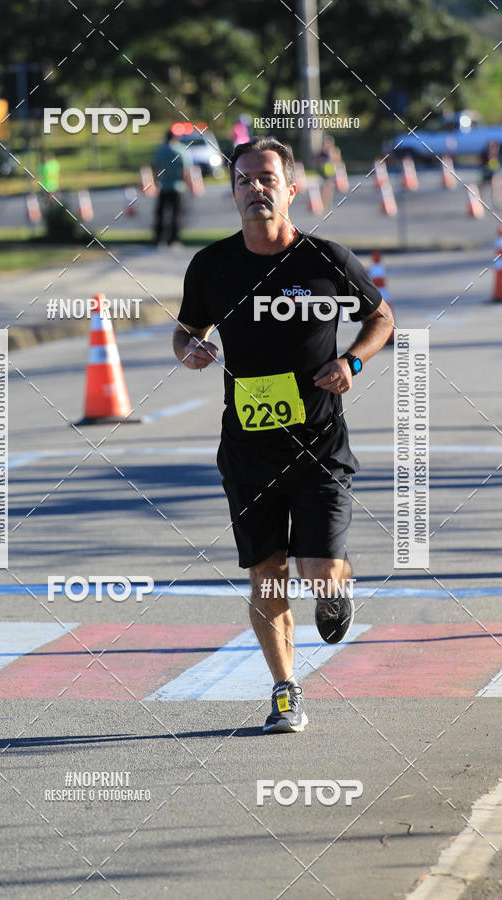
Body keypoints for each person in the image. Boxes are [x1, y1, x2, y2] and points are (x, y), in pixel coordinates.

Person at [173, 136, 393, 735]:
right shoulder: (212, 266)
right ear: (233, 192)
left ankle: (334, 590)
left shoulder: (325, 260)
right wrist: (192, 348)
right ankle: (285, 689)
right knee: (266, 571)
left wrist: (352, 362)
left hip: (319, 441)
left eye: (267, 178)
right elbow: (186, 330)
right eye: (244, 180)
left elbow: (380, 318)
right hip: (248, 447)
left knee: (321, 567)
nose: (255, 189)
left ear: (292, 188)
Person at [152, 129, 192, 246]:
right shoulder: (181, 150)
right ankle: (174, 239)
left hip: (163, 186)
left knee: (161, 214)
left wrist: (156, 181)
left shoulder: (160, 150)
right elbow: (185, 170)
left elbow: (156, 168)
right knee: (176, 214)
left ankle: (159, 239)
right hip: (178, 187)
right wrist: (188, 184)